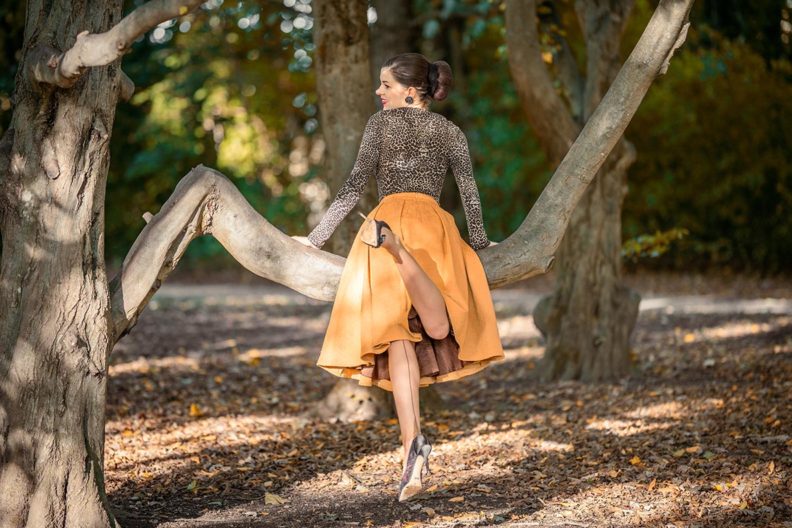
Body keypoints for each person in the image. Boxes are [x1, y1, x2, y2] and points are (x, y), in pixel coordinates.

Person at [292, 52, 504, 502]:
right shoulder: (450, 130)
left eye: (385, 85)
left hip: (385, 223)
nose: (378, 92)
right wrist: (482, 243)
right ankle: (413, 449)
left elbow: (353, 187)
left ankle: (396, 248)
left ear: (410, 89)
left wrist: (315, 239)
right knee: (433, 329)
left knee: (398, 336)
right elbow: (470, 193)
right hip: (435, 229)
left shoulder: (379, 125)